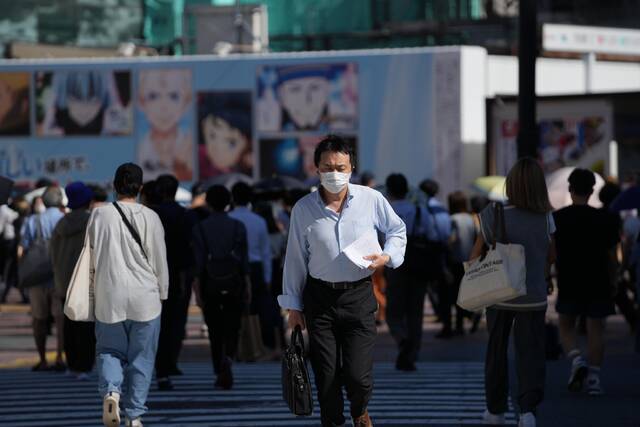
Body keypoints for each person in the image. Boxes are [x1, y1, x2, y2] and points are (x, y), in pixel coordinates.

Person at [280, 135, 407, 427]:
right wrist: (293, 307)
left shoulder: (371, 199)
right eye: (328, 167)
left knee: (358, 376)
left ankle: (360, 410)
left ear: (352, 167)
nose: (334, 173)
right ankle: (333, 422)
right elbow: (296, 259)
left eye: (340, 167)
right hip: (319, 300)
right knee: (325, 375)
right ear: (316, 169)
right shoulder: (303, 208)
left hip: (359, 296)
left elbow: (397, 230)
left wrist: (387, 256)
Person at [471, 158, 556, 427]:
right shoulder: (545, 217)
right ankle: (527, 411)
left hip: (498, 293)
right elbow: (551, 255)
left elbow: (474, 256)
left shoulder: (493, 213)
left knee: (496, 350)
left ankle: (495, 410)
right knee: (530, 353)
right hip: (533, 294)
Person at [89, 163, 169, 427]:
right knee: (142, 358)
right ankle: (134, 416)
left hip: (109, 294)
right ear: (141, 188)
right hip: (145, 298)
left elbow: (91, 257)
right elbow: (159, 260)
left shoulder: (99, 216)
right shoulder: (151, 217)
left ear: (114, 186)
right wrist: (164, 292)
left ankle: (112, 392)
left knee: (109, 351)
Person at [553, 169, 618, 397]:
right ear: (592, 190)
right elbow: (612, 254)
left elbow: (552, 252)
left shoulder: (557, 218)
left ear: (570, 190)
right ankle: (594, 379)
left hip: (569, 279)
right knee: (596, 330)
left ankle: (575, 358)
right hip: (598, 279)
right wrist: (615, 278)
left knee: (565, 324)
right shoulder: (606, 218)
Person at [192, 185, 250, 390]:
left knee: (215, 330)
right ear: (228, 202)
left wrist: (197, 291)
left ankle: (219, 367)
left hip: (210, 283)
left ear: (208, 202)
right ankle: (229, 358)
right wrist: (247, 285)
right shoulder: (238, 226)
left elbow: (198, 264)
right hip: (234, 282)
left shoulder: (200, 227)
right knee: (233, 327)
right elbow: (244, 261)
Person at [384, 173, 431, 371]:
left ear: (389, 190)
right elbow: (431, 232)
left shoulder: (386, 211)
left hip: (395, 263)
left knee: (393, 311)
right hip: (418, 263)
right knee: (415, 311)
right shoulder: (419, 210)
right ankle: (412, 355)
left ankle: (402, 338)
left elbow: (378, 237)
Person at [50, 182, 96, 380]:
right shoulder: (92, 222)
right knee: (86, 327)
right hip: (86, 282)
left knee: (68, 325)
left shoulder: (61, 224)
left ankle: (72, 364)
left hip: (64, 282)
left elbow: (52, 253)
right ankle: (85, 365)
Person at [18, 186, 65, 372]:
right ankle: (60, 357)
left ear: (43, 202)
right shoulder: (63, 220)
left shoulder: (32, 221)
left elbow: (22, 249)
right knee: (61, 319)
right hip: (59, 277)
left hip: (37, 277)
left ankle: (43, 358)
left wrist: (22, 272)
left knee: (38, 319)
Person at [152, 175, 192, 391]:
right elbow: (189, 248)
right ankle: (169, 363)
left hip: (154, 274)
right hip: (176, 274)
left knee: (156, 323)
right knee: (174, 323)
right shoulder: (185, 215)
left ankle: (159, 366)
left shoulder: (154, 214)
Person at [229, 183, 274, 350]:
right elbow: (265, 252)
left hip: (233, 268)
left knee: (234, 309)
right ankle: (258, 344)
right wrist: (268, 277)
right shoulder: (259, 221)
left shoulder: (230, 218)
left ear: (233, 197)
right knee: (257, 309)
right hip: (256, 267)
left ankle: (237, 345)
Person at [137, 69, 193, 181]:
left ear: (186, 102)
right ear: (142, 102)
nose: (163, 107)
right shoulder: (139, 148)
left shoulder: (190, 146)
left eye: (173, 96)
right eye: (153, 96)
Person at [418, 178, 453, 339]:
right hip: (444, 249)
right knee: (444, 287)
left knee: (431, 286)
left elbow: (422, 230)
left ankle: (443, 317)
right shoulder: (442, 208)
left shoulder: (424, 208)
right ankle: (446, 320)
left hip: (429, 250)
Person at [447, 191, 477, 335]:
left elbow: (452, 239)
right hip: (470, 260)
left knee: (455, 293)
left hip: (456, 260)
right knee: (465, 292)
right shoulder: (472, 219)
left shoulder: (452, 219)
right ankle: (468, 316)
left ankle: (460, 323)